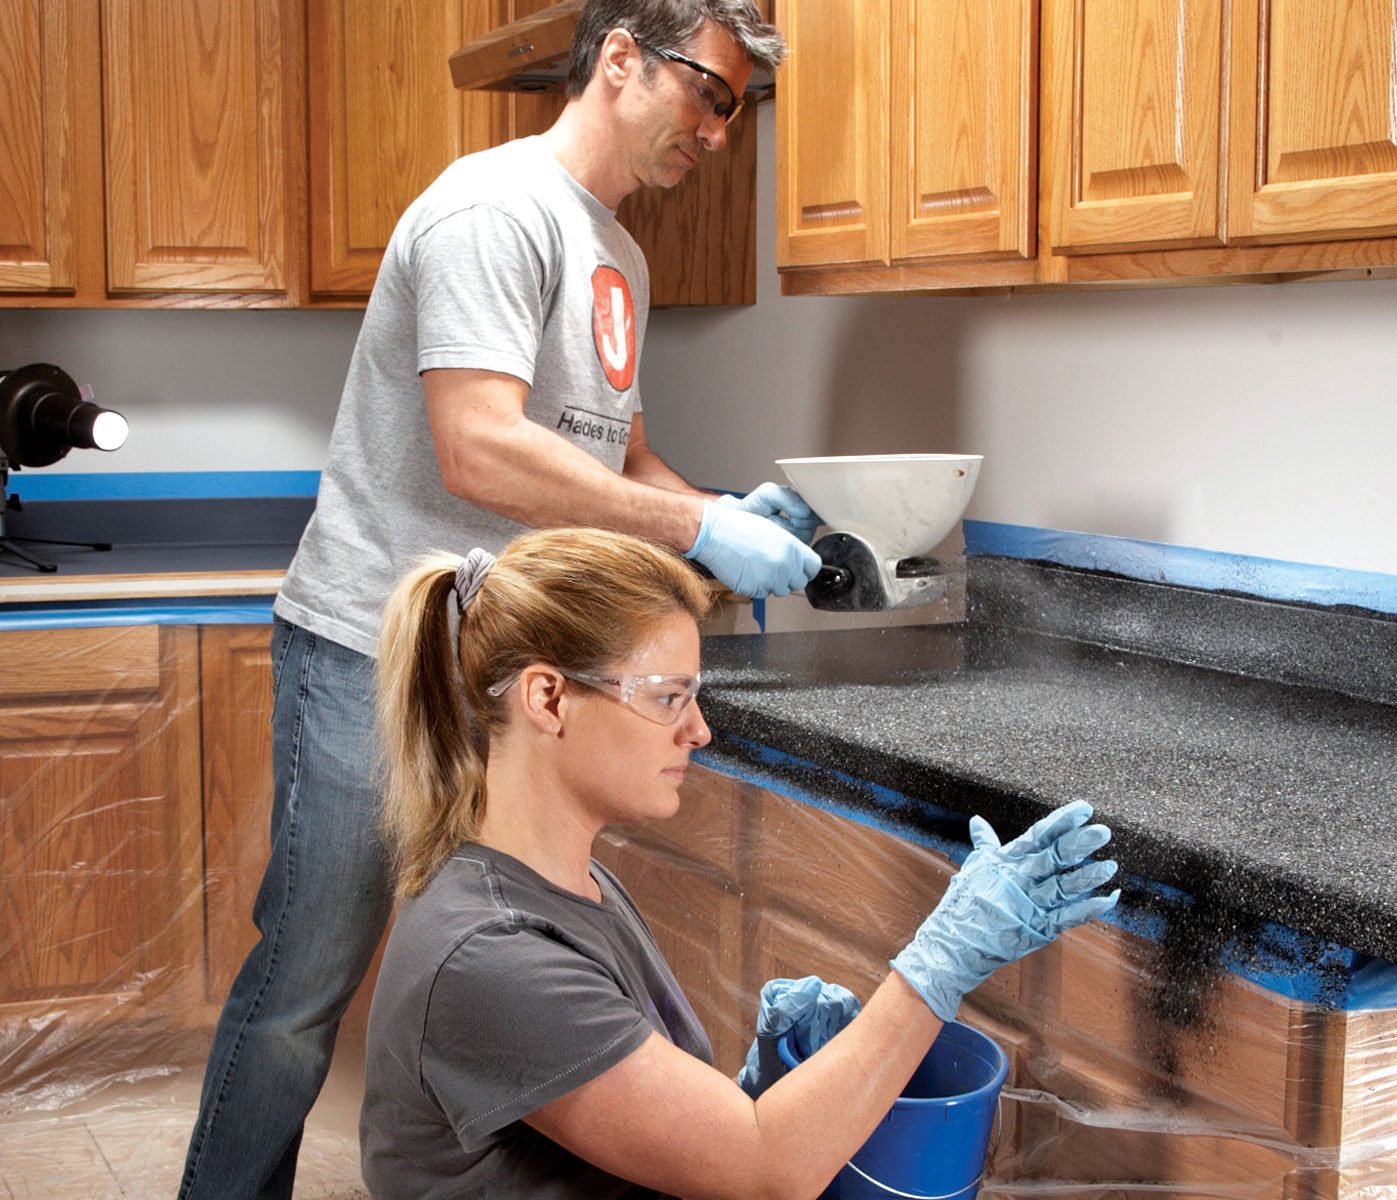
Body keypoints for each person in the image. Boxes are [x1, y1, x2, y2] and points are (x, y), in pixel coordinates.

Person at [179, 4, 816, 1196]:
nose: (721, 134)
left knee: (490, 964)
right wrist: (696, 527)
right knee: (304, 989)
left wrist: (719, 513)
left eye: (739, 110)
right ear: (622, 57)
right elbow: (477, 447)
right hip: (372, 646)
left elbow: (611, 458)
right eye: (712, 95)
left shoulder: (614, 252)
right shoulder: (495, 212)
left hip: (492, 667)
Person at [357, 527, 1120, 1196]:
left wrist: (763, 1092)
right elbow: (765, 1172)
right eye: (668, 699)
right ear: (548, 699)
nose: (699, 731)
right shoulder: (491, 957)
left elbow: (697, 1135)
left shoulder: (569, 883)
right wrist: (938, 967)